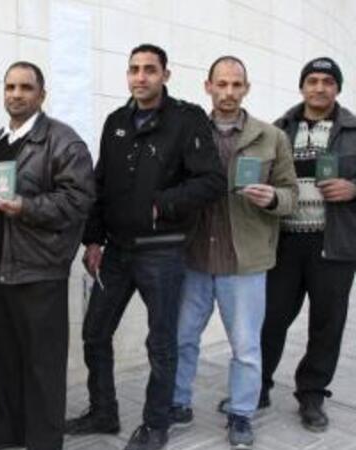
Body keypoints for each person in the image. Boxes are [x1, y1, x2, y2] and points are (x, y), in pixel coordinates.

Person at [65, 44, 227, 450]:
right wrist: (93, 239)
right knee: (94, 333)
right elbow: (101, 184)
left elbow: (212, 181)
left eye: (150, 70)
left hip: (163, 251)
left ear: (165, 75)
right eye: (134, 69)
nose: (141, 77)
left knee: (160, 343)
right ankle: (103, 412)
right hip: (117, 251)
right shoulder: (116, 121)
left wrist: (162, 203)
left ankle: (156, 424)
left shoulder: (187, 119)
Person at [169, 56, 298, 449]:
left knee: (245, 347)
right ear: (207, 86)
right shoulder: (188, 132)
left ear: (246, 88)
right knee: (182, 337)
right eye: (221, 84)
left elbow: (291, 195)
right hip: (194, 255)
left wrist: (272, 197)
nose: (228, 92)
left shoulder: (271, 136)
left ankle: (241, 413)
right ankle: (178, 403)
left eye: (236, 85)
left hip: (244, 261)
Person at [0, 61, 95, 450]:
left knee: (43, 364)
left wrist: (27, 207)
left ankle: (43, 440)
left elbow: (79, 200)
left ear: (42, 94)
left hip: (39, 271)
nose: (16, 94)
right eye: (10, 87)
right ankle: (8, 431)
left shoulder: (63, 142)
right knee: (3, 358)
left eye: (25, 87)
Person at [261, 57, 356, 433]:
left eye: (327, 81)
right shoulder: (278, 129)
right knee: (270, 318)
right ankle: (258, 385)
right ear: (302, 86)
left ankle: (312, 394)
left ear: (337, 88)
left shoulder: (353, 129)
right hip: (284, 242)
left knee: (327, 324)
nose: (319, 87)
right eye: (312, 80)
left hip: (334, 244)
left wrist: (353, 188)